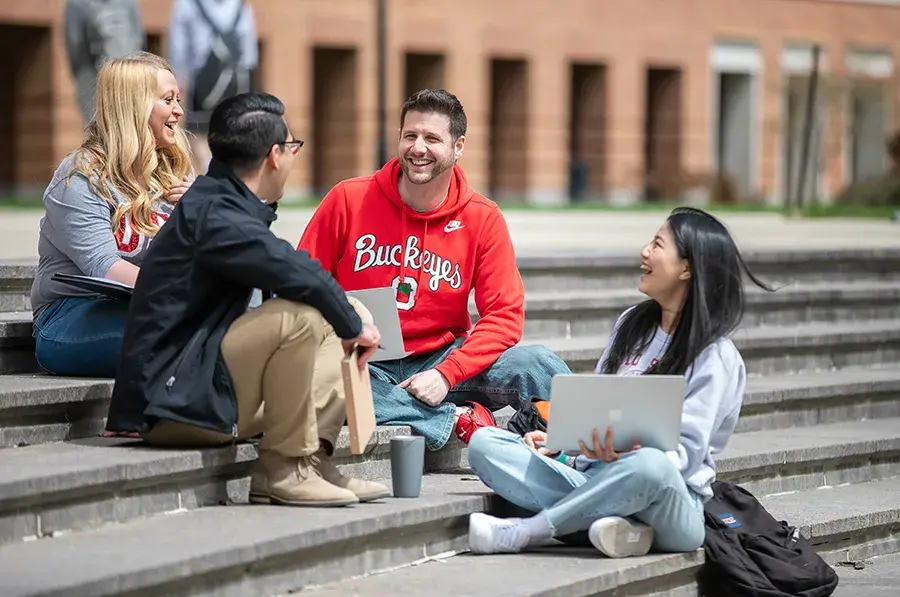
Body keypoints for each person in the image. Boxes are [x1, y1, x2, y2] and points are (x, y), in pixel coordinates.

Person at [106, 92, 390, 507]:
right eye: (293, 147)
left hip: (203, 384)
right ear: (275, 155)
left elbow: (294, 270)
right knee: (304, 316)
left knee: (347, 309)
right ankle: (284, 470)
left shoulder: (227, 203)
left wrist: (351, 319)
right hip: (172, 404)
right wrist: (351, 325)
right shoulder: (214, 214)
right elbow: (294, 270)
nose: (294, 156)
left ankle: (312, 463)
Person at [465, 207, 775, 558]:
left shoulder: (715, 356)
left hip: (671, 501)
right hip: (598, 475)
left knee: (650, 467)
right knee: (485, 444)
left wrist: (627, 453)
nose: (645, 252)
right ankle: (616, 525)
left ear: (687, 268)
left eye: (658, 245)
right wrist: (564, 444)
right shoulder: (632, 325)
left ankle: (529, 531)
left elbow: (684, 458)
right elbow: (602, 409)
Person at [297, 89, 571, 452]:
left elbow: (504, 316)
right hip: (365, 358)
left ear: (458, 147)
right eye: (409, 135)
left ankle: (604, 444)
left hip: (444, 358)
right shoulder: (348, 199)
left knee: (535, 362)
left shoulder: (482, 217)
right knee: (329, 385)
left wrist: (446, 373)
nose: (418, 148)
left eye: (431, 138)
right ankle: (456, 421)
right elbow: (302, 280)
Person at [30, 52, 193, 378]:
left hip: (149, 308)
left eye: (178, 99)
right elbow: (103, 266)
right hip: (71, 316)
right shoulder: (80, 177)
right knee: (191, 336)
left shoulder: (168, 177)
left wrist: (202, 214)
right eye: (168, 99)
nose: (179, 110)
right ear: (133, 106)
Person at [167, 0, 258, 175]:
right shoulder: (239, 4)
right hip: (236, 79)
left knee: (198, 133)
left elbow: (178, 47)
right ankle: (229, 175)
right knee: (233, 130)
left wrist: (178, 81)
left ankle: (213, 172)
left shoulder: (187, 4)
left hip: (204, 80)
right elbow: (249, 50)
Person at [64, 0, 145, 125]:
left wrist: (81, 76)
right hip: (130, 75)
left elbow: (75, 43)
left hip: (93, 73)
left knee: (97, 129)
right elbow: (140, 40)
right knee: (129, 124)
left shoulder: (77, 3)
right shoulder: (129, 3)